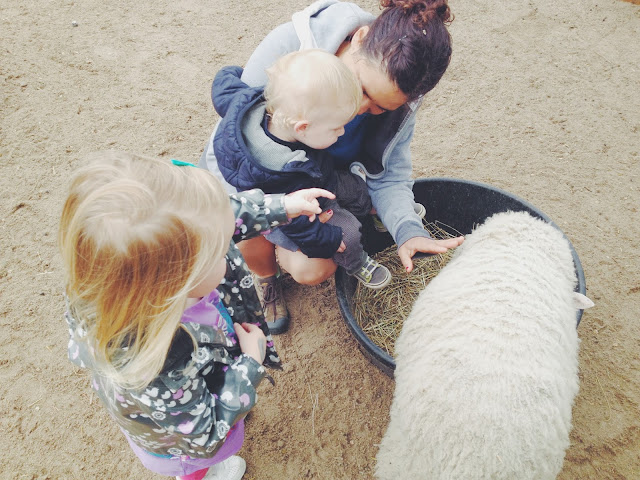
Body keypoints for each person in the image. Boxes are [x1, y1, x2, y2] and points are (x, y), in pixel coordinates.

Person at [59, 151, 333, 480]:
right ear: (178, 283)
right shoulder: (158, 364)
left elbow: (221, 216)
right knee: (198, 464)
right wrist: (249, 366)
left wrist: (281, 207)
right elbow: (202, 436)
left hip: (206, 374)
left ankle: (231, 399)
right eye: (220, 248)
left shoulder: (151, 261)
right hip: (183, 446)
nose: (229, 243)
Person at [200, 0, 464, 333]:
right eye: (363, 89)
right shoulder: (290, 50)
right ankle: (267, 276)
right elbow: (232, 149)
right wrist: (281, 213)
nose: (358, 108)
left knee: (323, 256)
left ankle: (352, 220)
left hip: (323, 181)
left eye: (380, 108)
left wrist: (407, 230)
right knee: (277, 248)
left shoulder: (403, 91)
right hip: (261, 186)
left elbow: (390, 174)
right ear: (359, 38)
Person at [212, 49, 393, 330]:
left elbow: (224, 89)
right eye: (337, 128)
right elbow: (299, 225)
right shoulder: (280, 173)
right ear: (303, 127)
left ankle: (375, 211)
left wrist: (229, 72)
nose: (342, 133)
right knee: (348, 234)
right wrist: (328, 241)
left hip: (321, 177)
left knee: (358, 190)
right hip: (300, 208)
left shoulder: (249, 103)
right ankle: (357, 263)